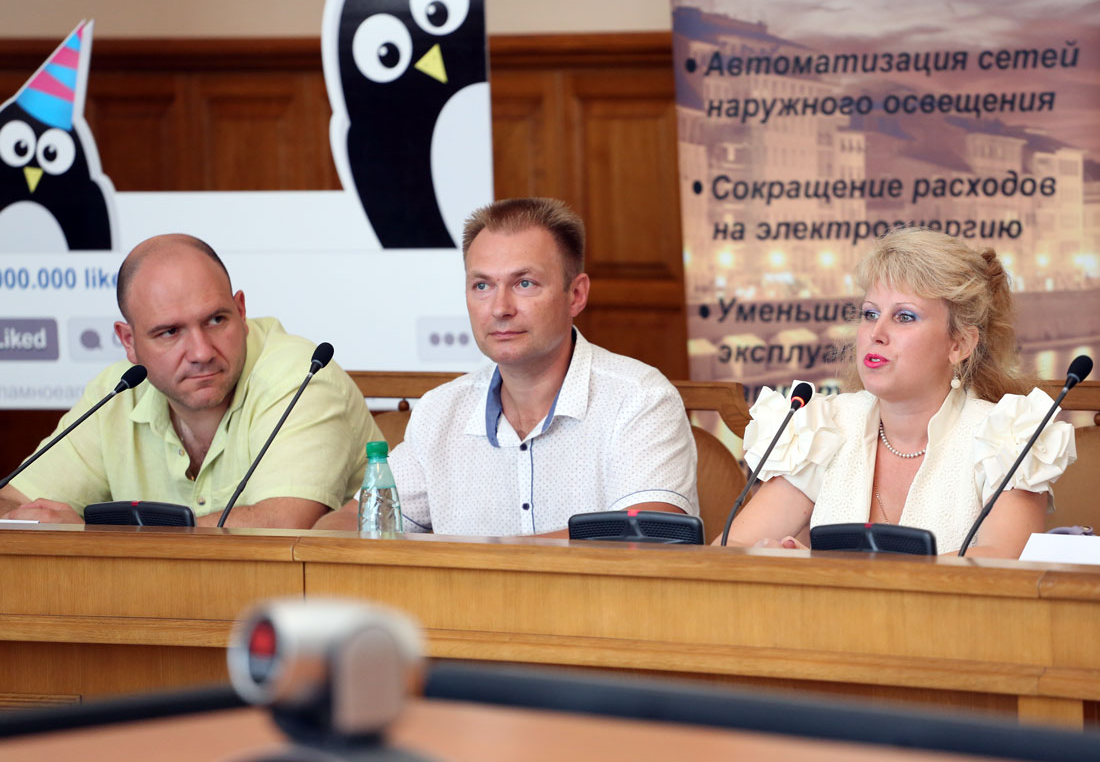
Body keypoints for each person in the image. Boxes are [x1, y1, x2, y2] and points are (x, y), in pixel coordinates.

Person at [315, 197, 698, 536]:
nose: (500, 308)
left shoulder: (639, 399)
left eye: (524, 283)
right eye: (482, 286)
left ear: (576, 294)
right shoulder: (439, 411)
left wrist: (484, 558)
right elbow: (349, 523)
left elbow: (648, 534)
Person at [723, 227, 1076, 558]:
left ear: (959, 344)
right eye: (870, 313)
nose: (876, 333)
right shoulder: (824, 426)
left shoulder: (1008, 438)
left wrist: (830, 569)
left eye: (904, 317)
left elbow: (1001, 566)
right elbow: (727, 550)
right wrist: (769, 555)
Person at [0, 234, 381, 528]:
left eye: (216, 320)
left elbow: (282, 524)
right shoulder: (117, 392)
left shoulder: (300, 376)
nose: (201, 352)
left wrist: (94, 535)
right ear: (129, 341)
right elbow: (10, 501)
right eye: (170, 332)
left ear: (241, 311)